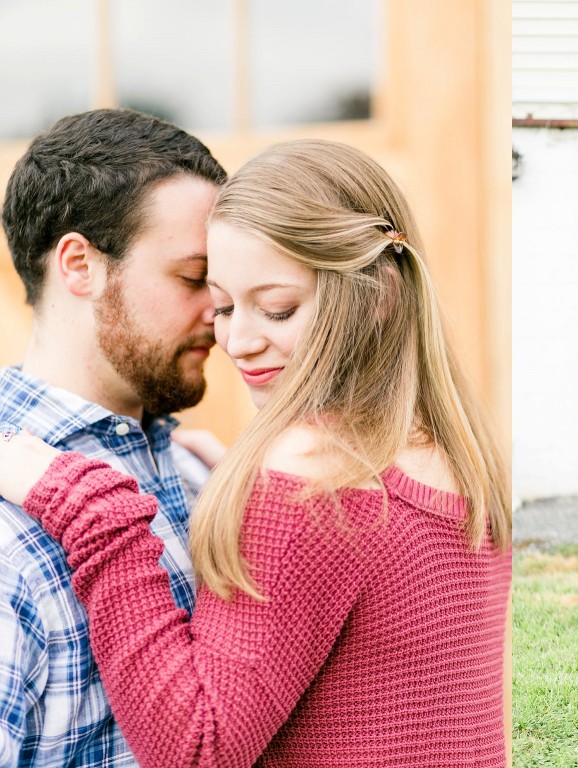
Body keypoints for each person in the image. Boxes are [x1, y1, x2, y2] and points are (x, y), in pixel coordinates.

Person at [0, 139, 513, 767]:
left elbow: (198, 749)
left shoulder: (307, 477)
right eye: (217, 301)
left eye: (277, 308)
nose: (234, 340)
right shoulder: (455, 454)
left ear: (377, 295)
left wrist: (97, 516)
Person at [0, 108, 226, 766]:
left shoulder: (197, 469)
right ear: (80, 265)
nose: (223, 305)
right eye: (192, 277)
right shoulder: (10, 532)